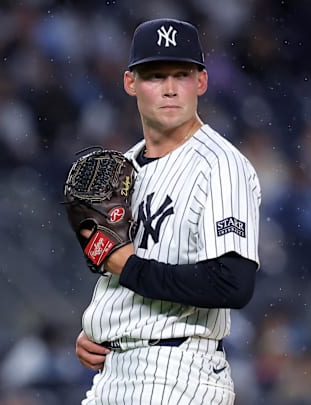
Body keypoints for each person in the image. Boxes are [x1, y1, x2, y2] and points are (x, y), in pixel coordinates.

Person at [73, 18, 261, 405]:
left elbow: (232, 283)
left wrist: (128, 267)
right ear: (130, 83)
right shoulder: (121, 168)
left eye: (182, 74)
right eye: (156, 76)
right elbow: (120, 274)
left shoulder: (221, 166)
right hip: (114, 372)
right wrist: (104, 324)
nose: (171, 89)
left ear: (201, 82)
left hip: (177, 372)